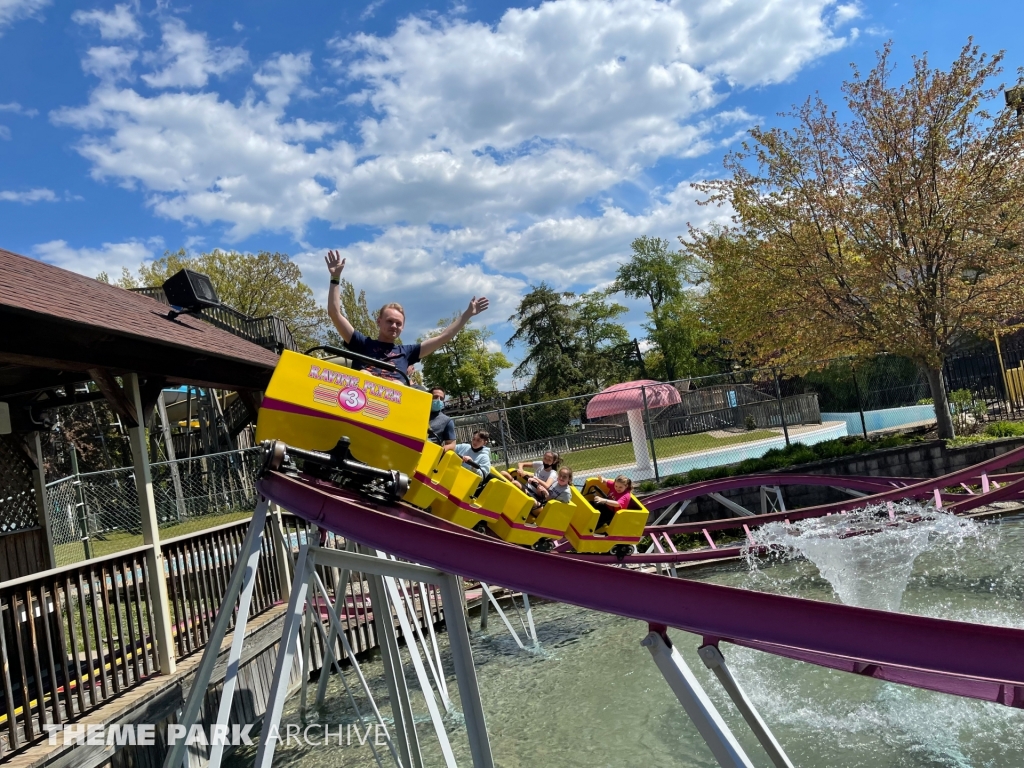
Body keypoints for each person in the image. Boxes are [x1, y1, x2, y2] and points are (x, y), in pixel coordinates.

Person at [325, 250, 489, 385]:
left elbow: (443, 338)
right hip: (359, 400)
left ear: (403, 327)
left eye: (398, 323)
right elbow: (335, 313)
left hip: (393, 405)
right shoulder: (362, 344)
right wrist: (335, 279)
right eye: (390, 321)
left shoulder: (407, 352)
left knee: (398, 384)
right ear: (379, 321)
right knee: (364, 374)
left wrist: (468, 314)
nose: (394, 326)